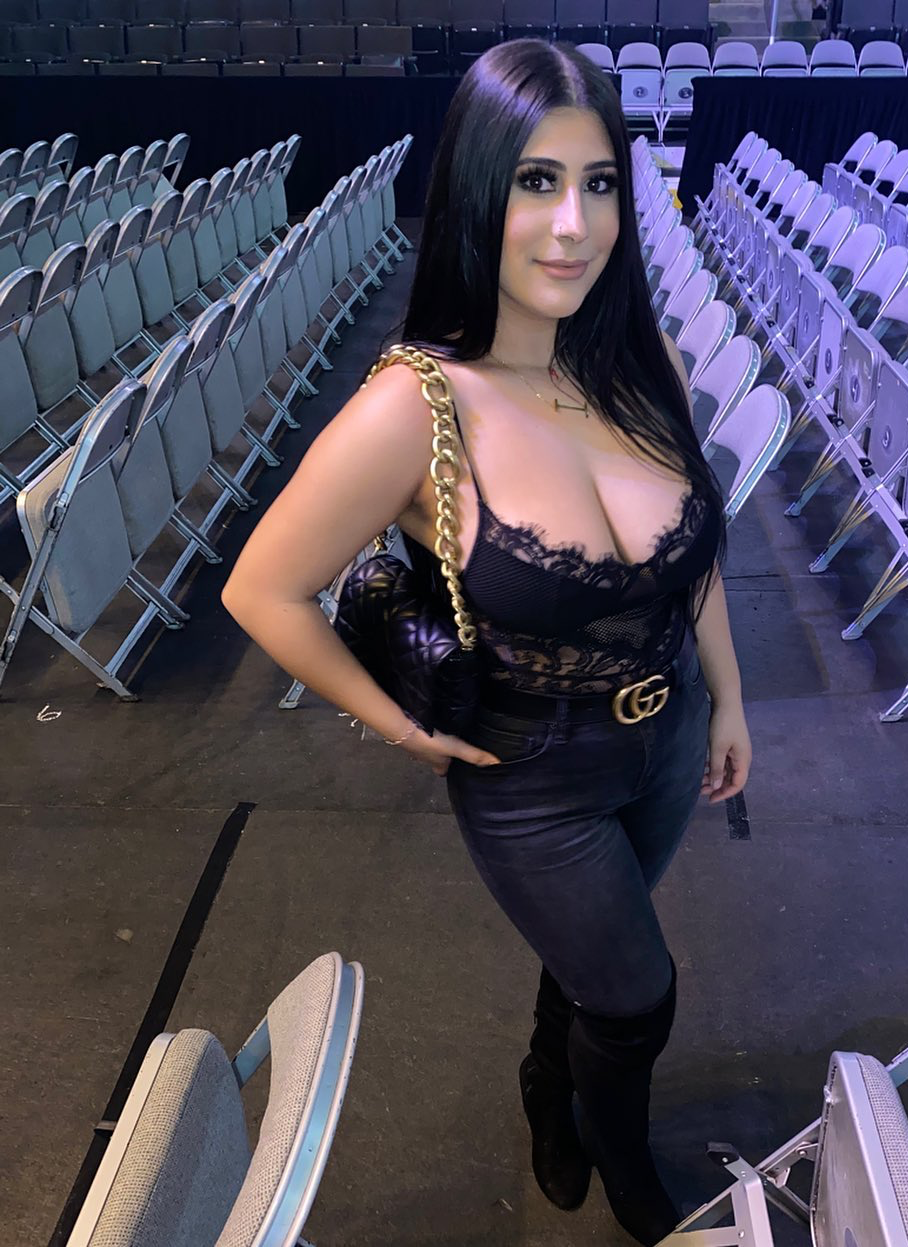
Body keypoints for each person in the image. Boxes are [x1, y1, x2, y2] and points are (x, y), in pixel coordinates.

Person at [222, 37, 751, 1246]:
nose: (574, 224)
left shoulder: (642, 363)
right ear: (474, 190)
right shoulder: (414, 407)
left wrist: (728, 696)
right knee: (639, 995)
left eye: (599, 183)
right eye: (535, 182)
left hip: (668, 736)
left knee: (596, 959)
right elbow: (263, 589)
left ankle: (546, 1071)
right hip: (534, 778)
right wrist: (399, 724)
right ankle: (629, 1173)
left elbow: (694, 561)